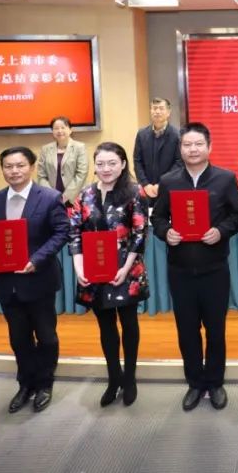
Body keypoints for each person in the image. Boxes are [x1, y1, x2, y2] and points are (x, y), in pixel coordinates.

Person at [153, 122, 238, 411]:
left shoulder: (225, 179)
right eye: (187, 145)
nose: (193, 150)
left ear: (209, 147)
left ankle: (215, 382)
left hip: (214, 269)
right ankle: (194, 383)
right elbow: (157, 218)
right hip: (180, 270)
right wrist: (166, 232)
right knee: (187, 330)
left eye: (198, 144)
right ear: (180, 149)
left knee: (216, 329)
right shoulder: (168, 181)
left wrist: (221, 231)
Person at [0, 146, 69, 414]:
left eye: (20, 165)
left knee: (46, 337)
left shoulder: (50, 198)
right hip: (7, 283)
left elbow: (62, 231)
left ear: (31, 167)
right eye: (8, 166)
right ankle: (25, 384)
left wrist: (37, 259)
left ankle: (45, 384)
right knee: (19, 339)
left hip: (39, 280)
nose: (14, 171)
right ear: (2, 169)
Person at [68, 142, 149, 408]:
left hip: (126, 270)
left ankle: (130, 379)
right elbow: (75, 232)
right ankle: (114, 378)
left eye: (112, 163)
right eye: (100, 163)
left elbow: (140, 234)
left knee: (129, 324)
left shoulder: (134, 193)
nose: (106, 169)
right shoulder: (85, 194)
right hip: (93, 272)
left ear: (123, 164)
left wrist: (125, 269)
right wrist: (79, 268)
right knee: (106, 327)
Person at [133, 97, 183, 209]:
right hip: (147, 189)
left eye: (161, 108)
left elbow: (179, 163)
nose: (157, 111)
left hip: (169, 187)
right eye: (154, 108)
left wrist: (161, 184)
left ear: (168, 112)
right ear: (150, 111)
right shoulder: (142, 134)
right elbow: (137, 161)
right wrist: (145, 184)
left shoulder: (177, 135)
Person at [36, 116, 88, 206]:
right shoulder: (45, 149)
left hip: (74, 197)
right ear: (52, 131)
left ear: (70, 130)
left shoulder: (79, 147)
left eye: (63, 127)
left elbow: (81, 173)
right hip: (51, 198)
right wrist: (51, 195)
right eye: (56, 128)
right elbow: (41, 175)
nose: (59, 131)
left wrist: (66, 196)